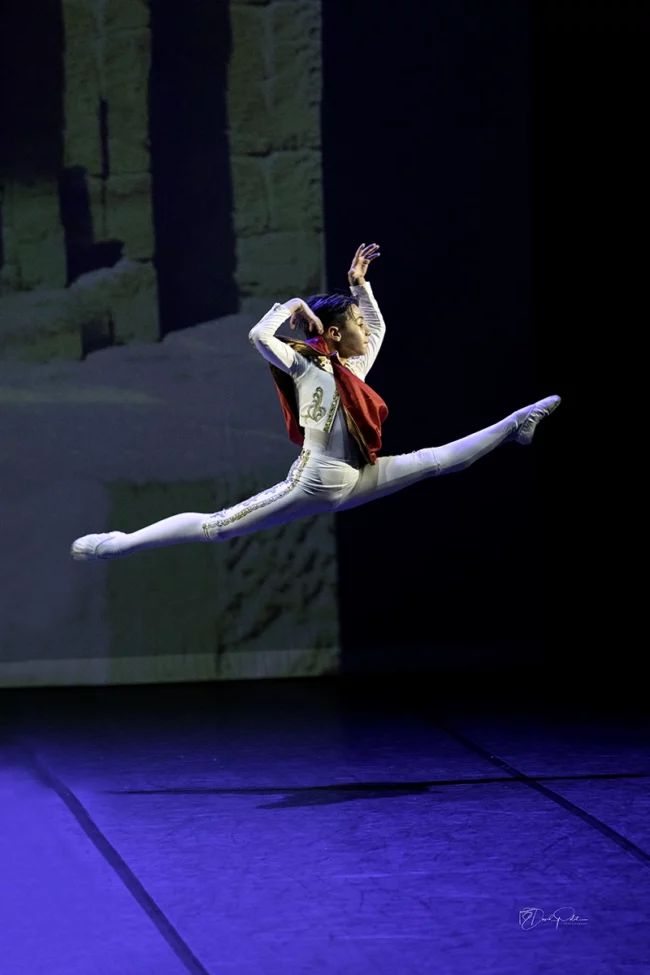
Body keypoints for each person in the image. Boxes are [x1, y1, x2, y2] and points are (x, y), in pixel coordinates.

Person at [71, 243, 560, 562]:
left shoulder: (352, 370)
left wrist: (358, 287)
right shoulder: (312, 367)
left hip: (356, 478)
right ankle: (120, 544)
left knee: (436, 462)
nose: (366, 330)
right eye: (356, 323)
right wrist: (293, 307)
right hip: (315, 483)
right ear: (331, 333)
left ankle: (517, 423)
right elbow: (260, 336)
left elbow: (381, 326)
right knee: (218, 528)